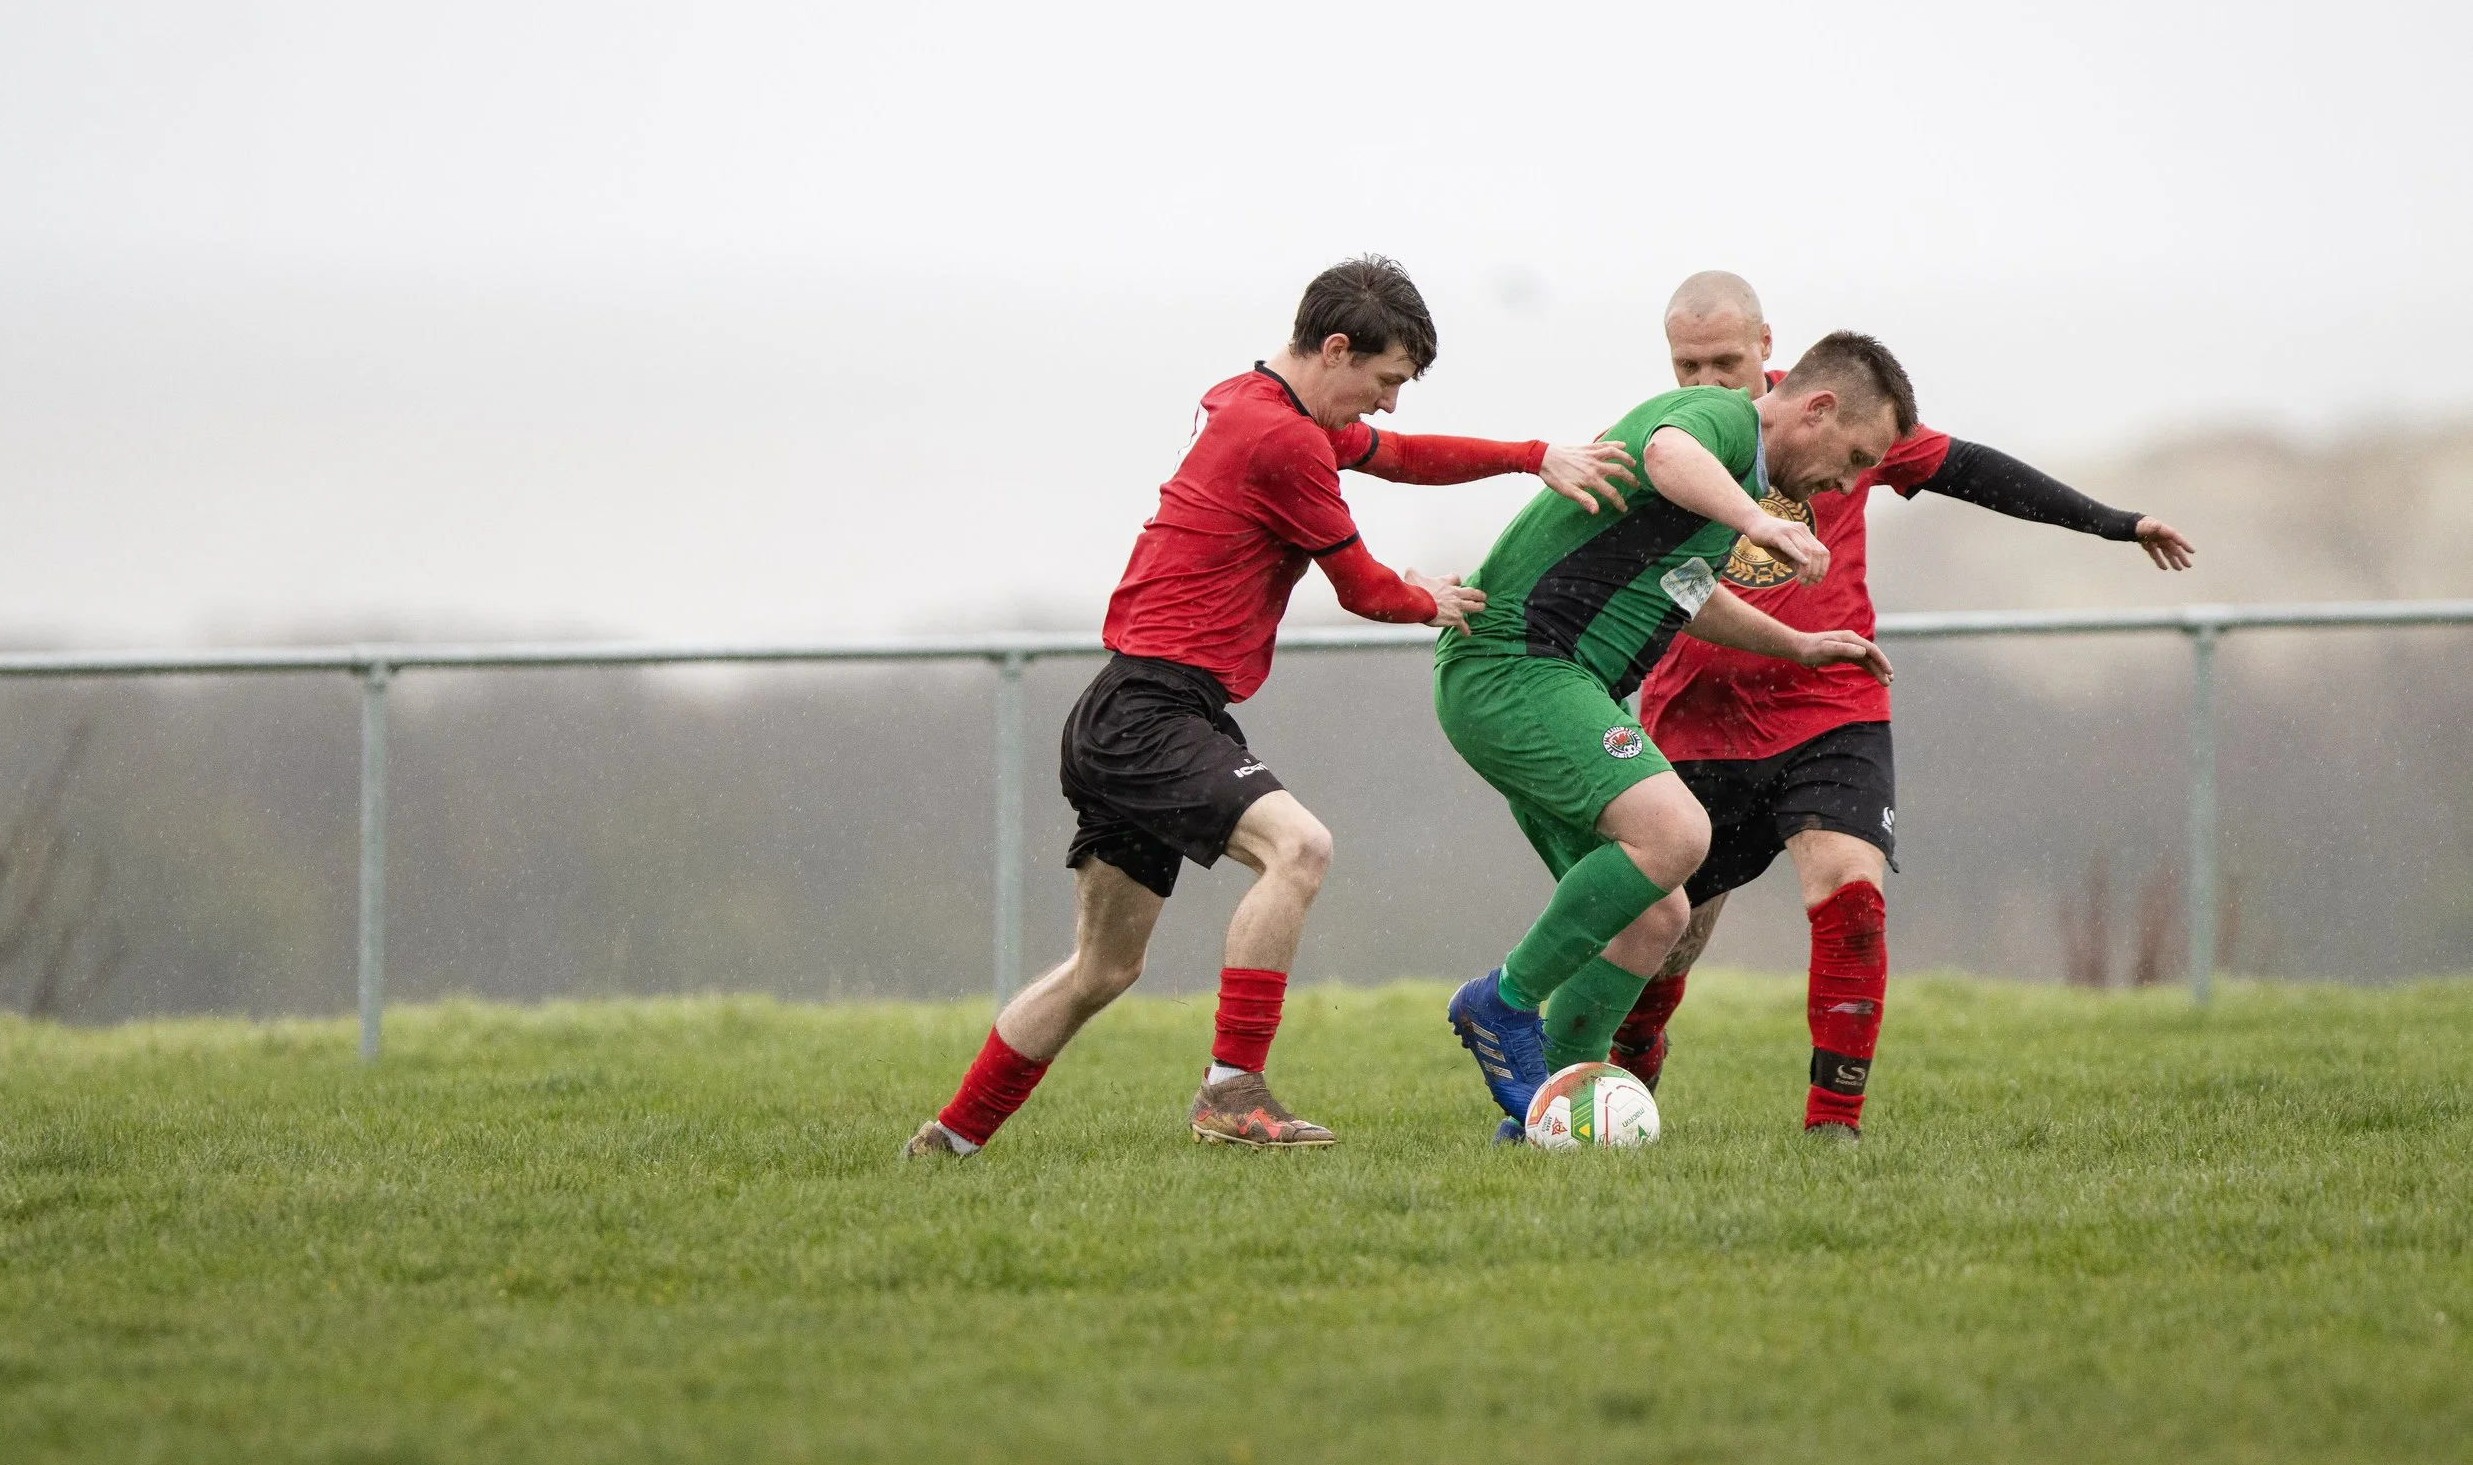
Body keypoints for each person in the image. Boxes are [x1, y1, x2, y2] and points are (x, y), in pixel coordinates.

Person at [904, 256, 1640, 1156]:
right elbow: (1363, 589)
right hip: (1150, 713)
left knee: (1103, 968)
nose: (1389, 405)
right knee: (1300, 848)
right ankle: (1231, 1090)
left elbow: (1401, 459)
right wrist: (1428, 600)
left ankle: (949, 1140)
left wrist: (1535, 458)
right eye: (1385, 381)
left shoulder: (1250, 401)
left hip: (1130, 710)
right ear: (1336, 349)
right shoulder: (1283, 440)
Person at [1610, 271, 2197, 1141]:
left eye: (1724, 361)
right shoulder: (1669, 446)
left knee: (1850, 892)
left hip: (1832, 706)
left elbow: (1971, 470)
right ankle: (1624, 1080)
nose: (1705, 383)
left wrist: (2113, 521)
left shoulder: (1834, 418)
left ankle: (1834, 1128)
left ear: (1769, 349)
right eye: (1686, 364)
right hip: (1699, 721)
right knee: (1670, 935)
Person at [1436, 332, 1909, 1135]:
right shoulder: (1724, 421)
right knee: (1678, 831)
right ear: (1818, 409)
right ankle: (1501, 1002)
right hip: (1516, 664)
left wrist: (1799, 645)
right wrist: (1760, 519)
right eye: (1857, 456)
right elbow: (1664, 452)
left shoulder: (1721, 500)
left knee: (1657, 915)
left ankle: (1543, 1116)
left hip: (1558, 685)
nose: (1850, 481)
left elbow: (1688, 591)